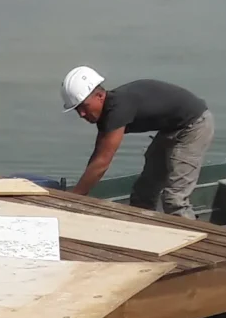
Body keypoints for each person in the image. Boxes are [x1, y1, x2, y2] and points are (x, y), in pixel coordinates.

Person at [61, 66, 217, 218]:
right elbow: (97, 158)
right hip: (171, 128)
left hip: (194, 125)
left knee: (175, 200)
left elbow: (102, 163)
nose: (81, 114)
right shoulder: (106, 114)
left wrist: (73, 198)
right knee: (143, 193)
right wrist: (78, 194)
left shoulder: (118, 109)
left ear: (100, 96)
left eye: (84, 107)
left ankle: (192, 233)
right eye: (77, 109)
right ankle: (142, 228)